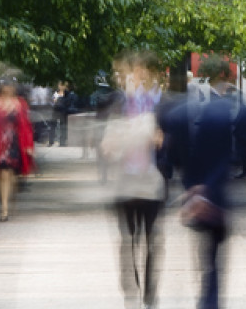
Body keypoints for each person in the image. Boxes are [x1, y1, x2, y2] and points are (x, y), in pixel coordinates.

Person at [162, 56, 237, 309]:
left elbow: (170, 158)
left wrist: (191, 189)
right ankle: (210, 299)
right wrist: (208, 188)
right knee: (213, 255)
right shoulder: (222, 114)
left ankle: (207, 297)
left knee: (205, 251)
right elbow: (229, 157)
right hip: (214, 194)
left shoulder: (175, 116)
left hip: (194, 192)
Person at [101, 65, 166, 309]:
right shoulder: (118, 116)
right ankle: (132, 289)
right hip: (126, 185)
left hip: (149, 184)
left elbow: (162, 142)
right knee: (128, 241)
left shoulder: (155, 110)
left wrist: (158, 139)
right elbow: (107, 148)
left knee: (151, 240)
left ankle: (149, 291)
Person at [0, 82, 34, 222]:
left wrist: (28, 145)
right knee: (3, 174)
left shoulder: (20, 103)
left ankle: (10, 199)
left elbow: (26, 125)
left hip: (15, 142)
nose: (8, 89)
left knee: (11, 174)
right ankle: (4, 208)